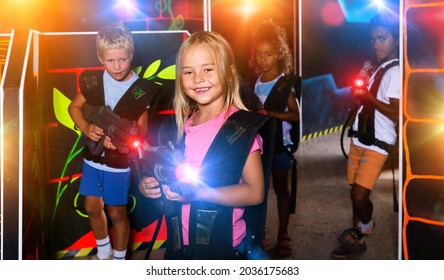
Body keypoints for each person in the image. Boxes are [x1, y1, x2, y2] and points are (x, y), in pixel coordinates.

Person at [138, 31, 269, 260]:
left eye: (208, 69)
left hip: (222, 251)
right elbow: (178, 176)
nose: (198, 78)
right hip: (181, 248)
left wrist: (199, 193)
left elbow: (255, 192)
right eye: (188, 72)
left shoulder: (240, 129)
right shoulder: (185, 125)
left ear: (229, 73)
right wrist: (153, 185)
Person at [68, 22, 161, 260]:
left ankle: (119, 262)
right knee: (91, 207)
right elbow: (74, 107)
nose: (117, 66)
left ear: (131, 55)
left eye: (122, 59)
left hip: (118, 165)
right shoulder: (95, 82)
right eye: (110, 60)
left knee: (116, 212)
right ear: (100, 57)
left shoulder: (140, 90)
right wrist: (86, 126)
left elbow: (141, 131)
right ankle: (104, 254)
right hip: (92, 158)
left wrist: (121, 143)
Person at [331, 12, 400, 259]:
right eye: (373, 40)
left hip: (377, 144)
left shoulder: (395, 72)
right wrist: (361, 93)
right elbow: (367, 98)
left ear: (396, 39)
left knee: (359, 195)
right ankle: (356, 238)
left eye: (382, 38)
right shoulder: (376, 66)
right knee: (354, 191)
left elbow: (397, 113)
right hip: (360, 137)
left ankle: (365, 227)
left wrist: (369, 98)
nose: (377, 44)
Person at [248, 18, 300, 258]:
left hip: (279, 147)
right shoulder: (255, 82)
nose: (262, 59)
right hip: (258, 148)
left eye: (268, 54)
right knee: (257, 191)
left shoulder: (283, 84)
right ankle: (257, 234)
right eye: (259, 54)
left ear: (278, 55)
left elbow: (295, 115)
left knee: (281, 190)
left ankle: (283, 234)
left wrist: (269, 114)